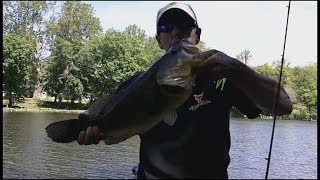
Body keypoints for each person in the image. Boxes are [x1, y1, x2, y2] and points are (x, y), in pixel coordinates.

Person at [77, 2, 292, 179]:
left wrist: (239, 71)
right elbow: (111, 119)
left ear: (196, 35)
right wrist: (93, 126)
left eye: (184, 25)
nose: (176, 31)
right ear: (158, 40)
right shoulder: (136, 84)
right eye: (166, 27)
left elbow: (283, 106)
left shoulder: (225, 76)